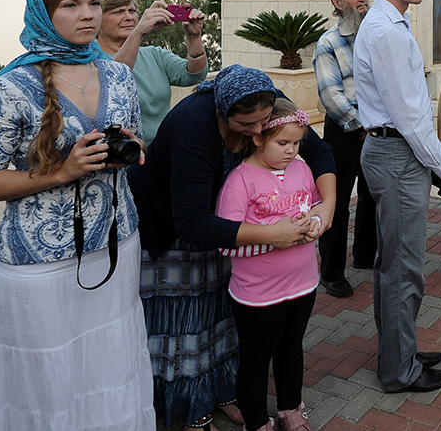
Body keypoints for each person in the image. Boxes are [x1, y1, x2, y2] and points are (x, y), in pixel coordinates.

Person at [0, 0, 154, 430]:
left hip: (115, 245)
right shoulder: (7, 89)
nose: (87, 14)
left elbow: (137, 138)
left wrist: (131, 151)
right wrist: (63, 171)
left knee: (109, 363)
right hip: (38, 265)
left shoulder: (119, 76)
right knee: (44, 378)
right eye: (70, 5)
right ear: (43, 12)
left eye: (93, 3)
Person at [128, 65, 336, 431]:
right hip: (174, 222)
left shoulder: (263, 103)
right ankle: (191, 406)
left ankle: (223, 391)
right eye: (248, 126)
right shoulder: (193, 124)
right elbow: (191, 222)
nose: (259, 132)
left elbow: (318, 151)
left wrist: (328, 206)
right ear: (224, 113)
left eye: (264, 122)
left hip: (231, 226)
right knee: (187, 320)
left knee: (219, 318)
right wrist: (273, 234)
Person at [354, 0, 441, 393]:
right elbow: (409, 117)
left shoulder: (392, 22)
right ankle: (399, 370)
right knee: (404, 267)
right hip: (396, 153)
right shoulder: (385, 30)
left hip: (396, 151)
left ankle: (398, 350)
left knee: (395, 264)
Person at [216, 99, 324, 431]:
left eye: (296, 143)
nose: (291, 151)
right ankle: (257, 421)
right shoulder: (240, 181)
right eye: (283, 143)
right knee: (256, 359)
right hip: (258, 294)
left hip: (303, 283)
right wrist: (275, 238)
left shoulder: (302, 169)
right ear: (259, 137)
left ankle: (291, 409)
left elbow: (316, 204)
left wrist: (315, 223)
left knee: (292, 348)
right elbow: (225, 241)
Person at [313, 0, 377, 299]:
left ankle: (366, 256)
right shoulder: (328, 43)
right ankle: (332, 272)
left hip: (377, 130)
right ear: (338, 3)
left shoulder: (378, 36)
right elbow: (330, 95)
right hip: (345, 132)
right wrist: (361, 125)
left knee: (372, 195)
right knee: (336, 204)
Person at [97, 0, 209, 144]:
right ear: (97, 18)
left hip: (162, 154)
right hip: (121, 159)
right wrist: (139, 32)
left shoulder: (154, 54)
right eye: (118, 12)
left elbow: (194, 75)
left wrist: (194, 37)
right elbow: (115, 83)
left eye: (132, 10)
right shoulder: (91, 60)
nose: (128, 17)